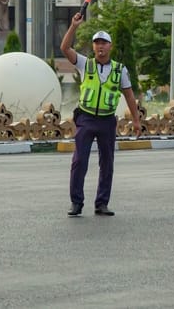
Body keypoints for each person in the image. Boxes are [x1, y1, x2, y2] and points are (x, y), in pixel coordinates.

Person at [61, 12, 141, 217]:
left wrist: (136, 120)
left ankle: (102, 203)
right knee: (80, 161)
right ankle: (76, 203)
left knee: (107, 163)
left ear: (110, 47)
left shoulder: (119, 70)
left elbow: (130, 97)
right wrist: (73, 26)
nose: (100, 46)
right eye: (97, 43)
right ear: (93, 46)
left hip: (106, 120)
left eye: (104, 43)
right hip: (86, 119)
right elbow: (65, 48)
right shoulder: (84, 64)